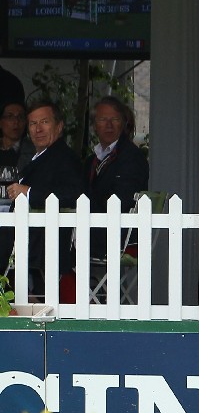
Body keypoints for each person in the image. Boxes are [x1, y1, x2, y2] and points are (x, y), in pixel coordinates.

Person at [2, 101, 89, 294]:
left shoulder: (64, 158)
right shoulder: (43, 156)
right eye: (33, 124)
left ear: (59, 126)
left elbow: (74, 194)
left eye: (44, 122)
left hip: (43, 242)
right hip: (25, 238)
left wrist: (28, 192)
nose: (38, 129)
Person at [85, 96, 150, 257]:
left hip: (117, 238)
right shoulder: (91, 160)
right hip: (95, 233)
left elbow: (122, 200)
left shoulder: (131, 157)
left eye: (114, 119)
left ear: (123, 123)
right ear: (94, 126)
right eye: (102, 119)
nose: (109, 125)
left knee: (54, 244)